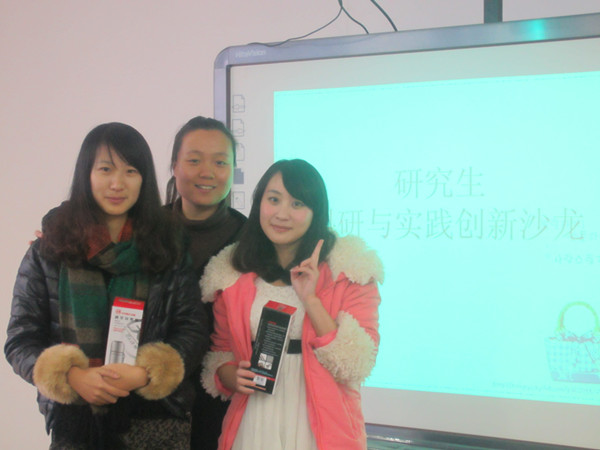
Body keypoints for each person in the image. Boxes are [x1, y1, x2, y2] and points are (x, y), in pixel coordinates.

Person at [5, 122, 209, 449]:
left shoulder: (167, 247)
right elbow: (20, 340)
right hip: (76, 421)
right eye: (105, 169)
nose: (117, 183)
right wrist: (72, 377)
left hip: (155, 419)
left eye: (131, 171)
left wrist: (144, 373)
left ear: (144, 179)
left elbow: (192, 330)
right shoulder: (49, 250)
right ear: (86, 174)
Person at [200, 159, 383, 449]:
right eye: (273, 200)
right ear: (259, 203)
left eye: (297, 204)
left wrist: (311, 299)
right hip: (255, 417)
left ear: (315, 212)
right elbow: (221, 352)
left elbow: (356, 363)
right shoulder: (231, 273)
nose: (282, 214)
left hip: (322, 422)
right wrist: (230, 375)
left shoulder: (348, 272)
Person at [164, 116, 246, 449]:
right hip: (151, 397)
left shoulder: (250, 241)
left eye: (220, 162)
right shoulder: (145, 230)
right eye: (194, 160)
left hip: (222, 402)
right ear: (174, 166)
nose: (207, 172)